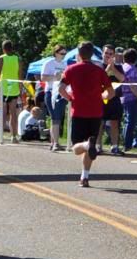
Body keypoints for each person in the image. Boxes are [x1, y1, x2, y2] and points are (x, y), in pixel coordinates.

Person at [59, 42, 115, 188]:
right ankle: (84, 177)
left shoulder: (71, 69)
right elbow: (111, 92)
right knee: (89, 147)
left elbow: (61, 88)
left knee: (76, 147)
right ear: (92, 54)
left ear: (79, 53)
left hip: (78, 111)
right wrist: (102, 96)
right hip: (96, 112)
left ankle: (86, 145)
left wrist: (70, 98)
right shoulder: (99, 71)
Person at [98, 44, 126, 155]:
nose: (108, 55)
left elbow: (122, 79)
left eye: (111, 53)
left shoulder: (118, 67)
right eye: (106, 53)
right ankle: (97, 146)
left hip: (115, 98)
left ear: (113, 55)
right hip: (101, 98)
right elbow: (99, 80)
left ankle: (114, 146)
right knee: (100, 123)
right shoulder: (98, 66)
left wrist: (113, 68)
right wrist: (107, 69)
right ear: (102, 53)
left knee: (115, 122)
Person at [0, 40, 25, 143]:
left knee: (3, 112)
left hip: (3, 87)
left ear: (3, 49)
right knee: (13, 113)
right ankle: (13, 136)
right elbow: (20, 75)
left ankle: (1, 135)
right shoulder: (18, 59)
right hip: (14, 88)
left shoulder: (0, 59)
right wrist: (20, 88)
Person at [41, 45, 69, 151]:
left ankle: (53, 142)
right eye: (62, 53)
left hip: (60, 92)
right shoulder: (49, 63)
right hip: (51, 91)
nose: (63, 56)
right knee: (55, 118)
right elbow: (43, 77)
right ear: (56, 53)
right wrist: (54, 76)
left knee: (57, 118)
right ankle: (55, 143)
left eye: (65, 54)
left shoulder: (65, 64)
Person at [120, 48, 137, 152]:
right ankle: (127, 144)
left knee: (126, 121)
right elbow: (133, 86)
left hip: (123, 97)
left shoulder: (122, 67)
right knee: (131, 122)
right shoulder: (132, 69)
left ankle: (125, 143)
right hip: (132, 98)